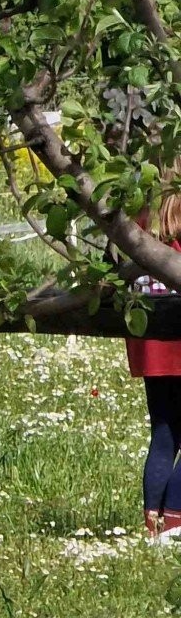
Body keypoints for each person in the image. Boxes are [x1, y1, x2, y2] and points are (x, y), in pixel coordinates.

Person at [134, 195, 181, 542]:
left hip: (149, 341)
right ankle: (176, 520)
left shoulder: (138, 217)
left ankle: (154, 525)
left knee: (164, 433)